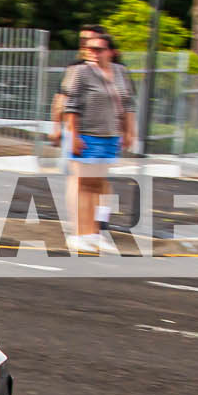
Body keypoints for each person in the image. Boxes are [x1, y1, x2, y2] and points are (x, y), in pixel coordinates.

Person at [60, 33, 136, 253]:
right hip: (87, 135)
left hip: (110, 136)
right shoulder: (81, 72)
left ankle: (94, 234)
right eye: (89, 48)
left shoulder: (120, 72)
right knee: (84, 185)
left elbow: (128, 104)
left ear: (111, 52)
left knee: (97, 186)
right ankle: (78, 234)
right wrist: (73, 136)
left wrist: (129, 131)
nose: (92, 53)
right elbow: (71, 107)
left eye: (98, 49)